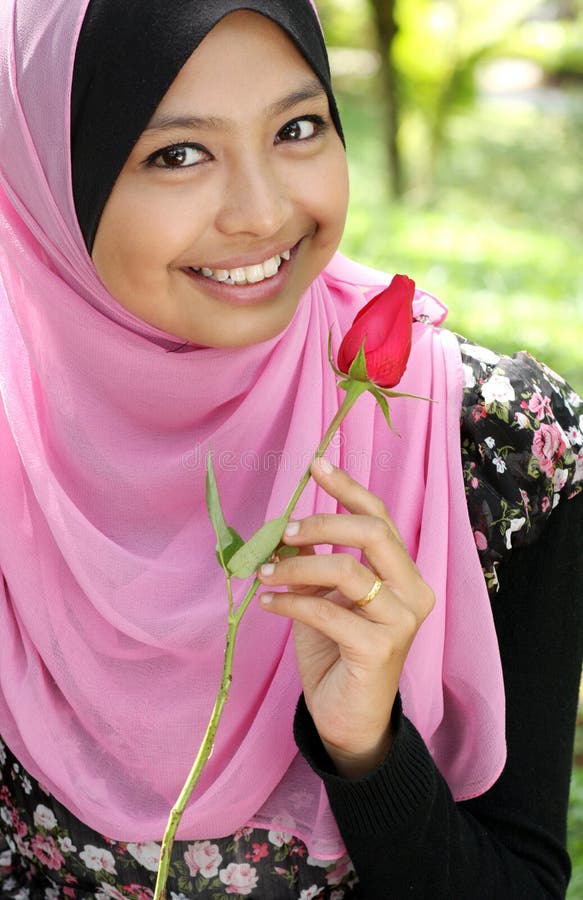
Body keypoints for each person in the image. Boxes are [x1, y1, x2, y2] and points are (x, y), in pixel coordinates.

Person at [0, 0, 581, 898]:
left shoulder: (496, 446)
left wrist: (369, 751)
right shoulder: (12, 452)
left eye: (298, 127)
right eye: (176, 154)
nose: (262, 213)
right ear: (44, 177)